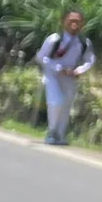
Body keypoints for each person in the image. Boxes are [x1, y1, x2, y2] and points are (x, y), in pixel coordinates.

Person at [37, 10, 95, 147]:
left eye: (77, 21)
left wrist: (79, 70)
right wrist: (58, 68)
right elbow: (41, 57)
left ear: (82, 24)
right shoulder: (54, 40)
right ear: (63, 22)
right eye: (71, 20)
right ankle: (51, 132)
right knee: (56, 101)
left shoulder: (84, 42)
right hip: (52, 76)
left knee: (66, 106)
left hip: (70, 78)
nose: (74, 24)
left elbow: (90, 60)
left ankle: (60, 134)